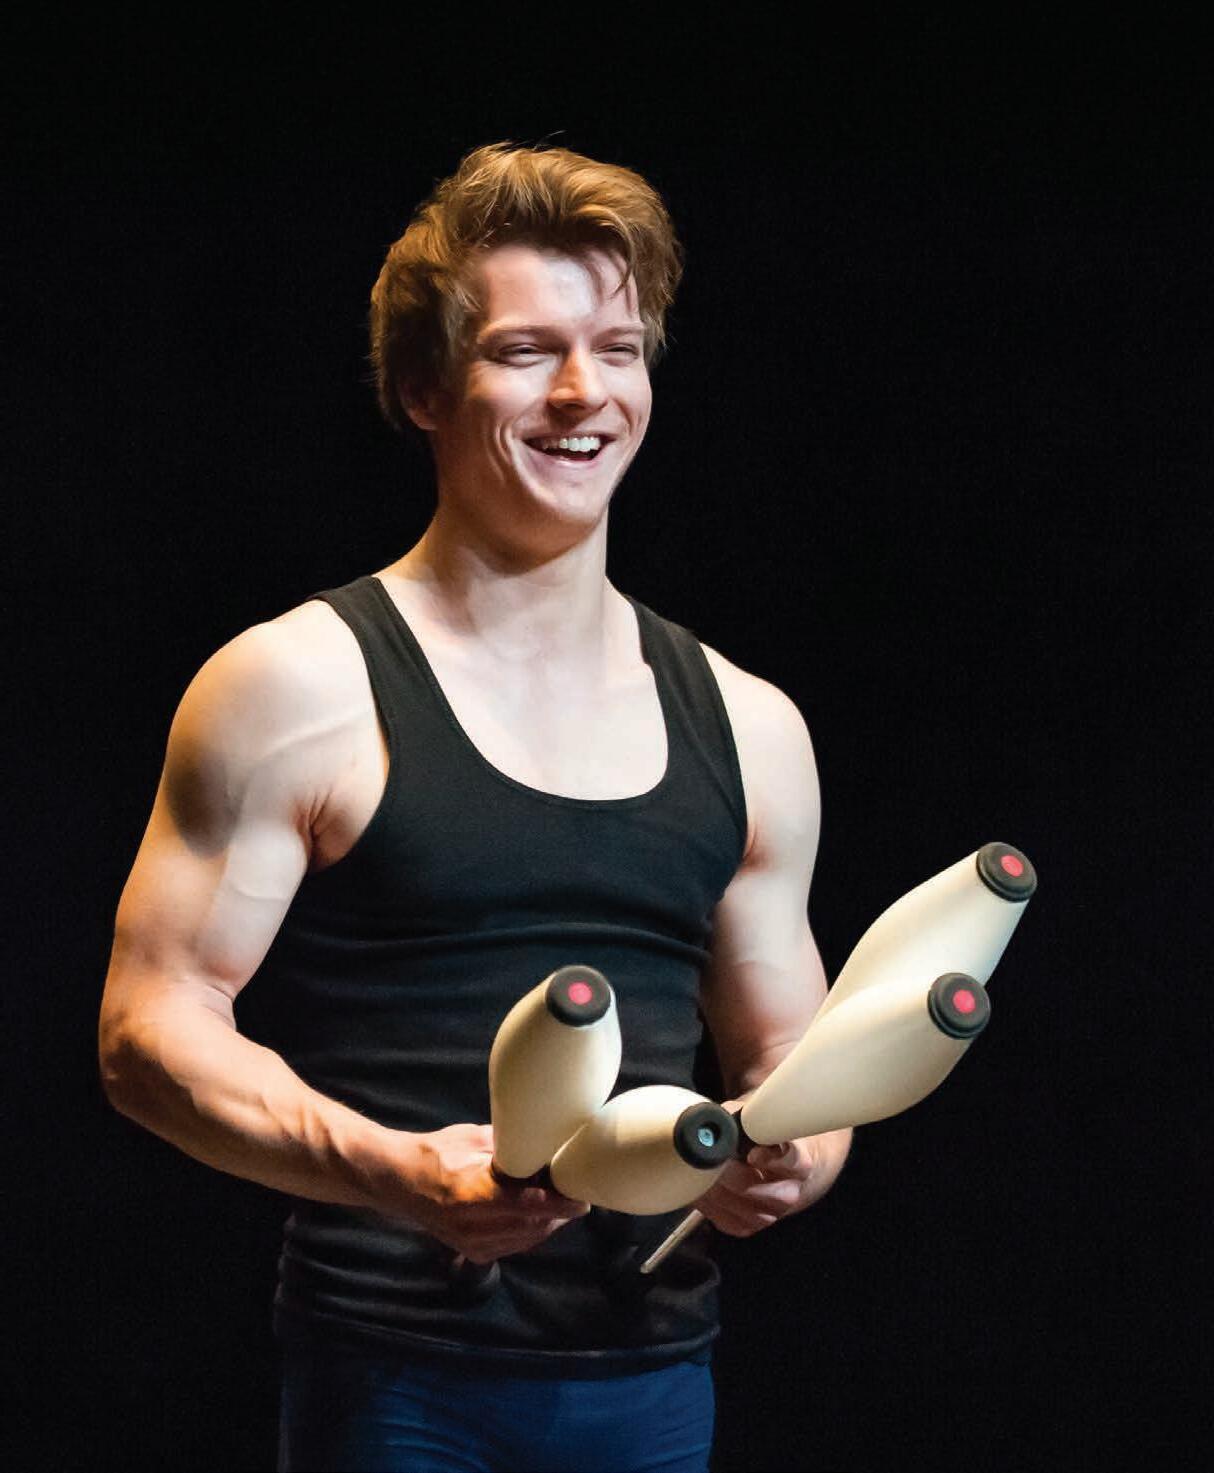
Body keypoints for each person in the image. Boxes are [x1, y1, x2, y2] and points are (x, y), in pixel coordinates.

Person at [98, 142, 852, 1473]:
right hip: (398, 1385)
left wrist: (800, 1154)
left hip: (654, 1382)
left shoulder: (750, 725)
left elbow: (796, 1060)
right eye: (524, 351)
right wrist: (395, 1173)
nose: (583, 392)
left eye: (617, 349)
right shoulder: (297, 686)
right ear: (422, 387)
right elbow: (149, 1031)